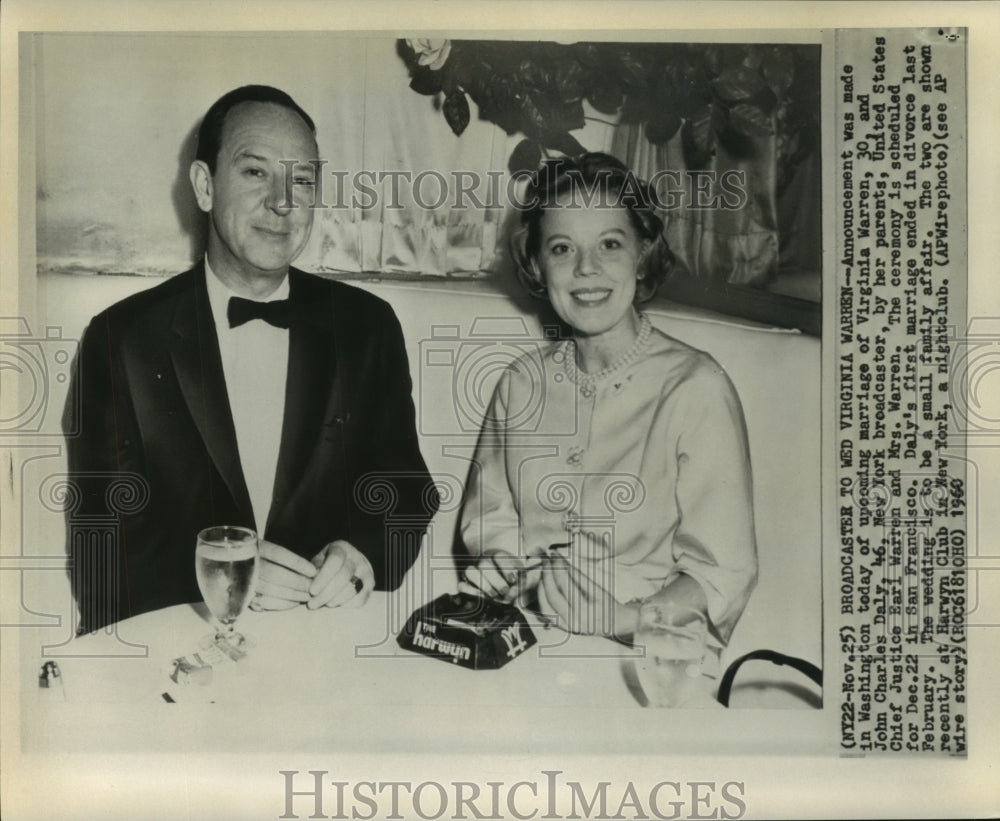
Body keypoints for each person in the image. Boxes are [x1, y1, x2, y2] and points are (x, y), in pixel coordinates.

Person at [65, 85, 438, 633]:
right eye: (256, 172)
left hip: (325, 642)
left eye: (303, 179)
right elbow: (101, 548)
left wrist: (362, 556)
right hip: (180, 645)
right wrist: (222, 576)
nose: (283, 201)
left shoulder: (367, 325)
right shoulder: (120, 338)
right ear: (204, 185)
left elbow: (405, 492)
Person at [458, 152, 757, 665]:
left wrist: (622, 619)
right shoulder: (519, 382)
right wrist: (499, 566)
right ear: (536, 263)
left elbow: (721, 573)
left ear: (642, 256)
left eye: (610, 245)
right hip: (528, 642)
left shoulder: (696, 387)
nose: (586, 269)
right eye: (561, 248)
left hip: (648, 654)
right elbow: (492, 519)